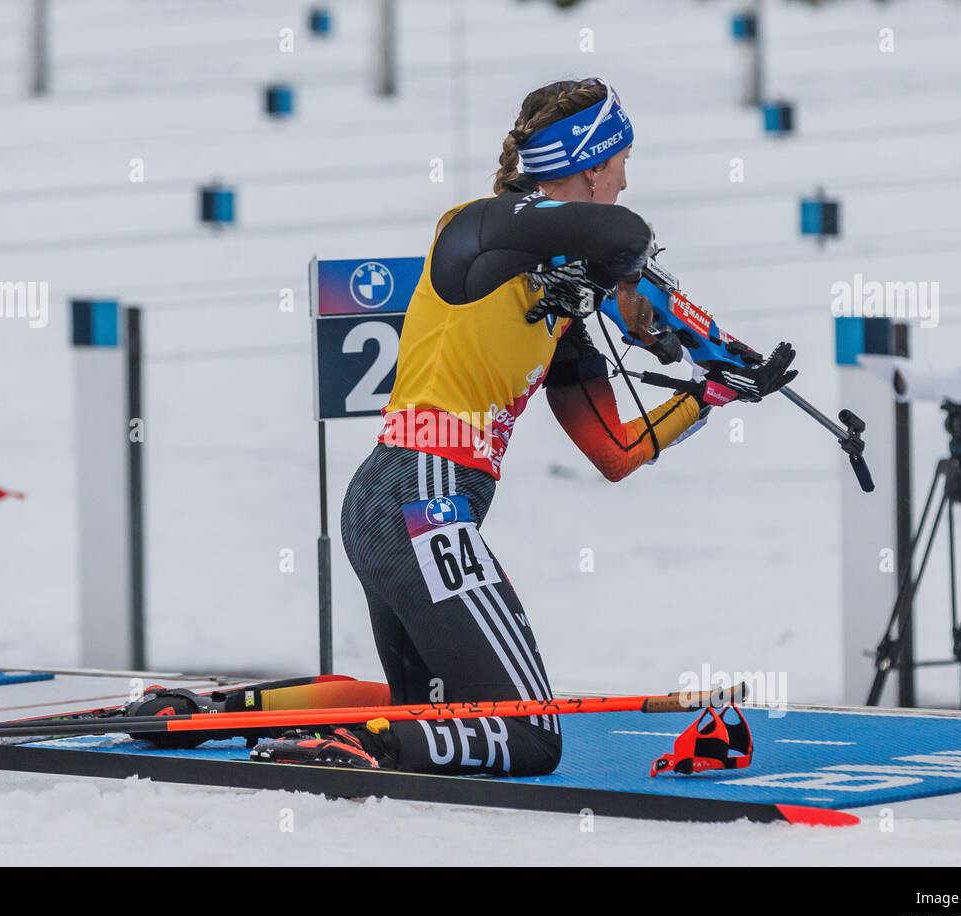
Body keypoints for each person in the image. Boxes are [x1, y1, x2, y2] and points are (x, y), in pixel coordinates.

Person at [252, 78, 796, 775]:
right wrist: (633, 289)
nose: (627, 180)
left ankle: (243, 711)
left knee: (438, 717)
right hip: (420, 495)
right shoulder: (476, 228)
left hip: (405, 502)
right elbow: (623, 235)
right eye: (622, 161)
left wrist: (710, 391)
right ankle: (357, 747)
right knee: (529, 736)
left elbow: (614, 450)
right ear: (593, 163)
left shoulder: (556, 299)